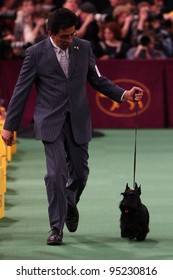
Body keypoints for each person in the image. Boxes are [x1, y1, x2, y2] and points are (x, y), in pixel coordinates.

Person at [1, 7, 143, 246]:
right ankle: (56, 228)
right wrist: (10, 126)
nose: (69, 39)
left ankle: (69, 203)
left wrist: (124, 94)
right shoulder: (35, 53)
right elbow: (21, 90)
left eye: (72, 34)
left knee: (80, 174)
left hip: (78, 120)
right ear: (50, 33)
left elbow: (97, 79)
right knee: (55, 174)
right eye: (64, 36)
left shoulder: (83, 47)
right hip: (49, 121)